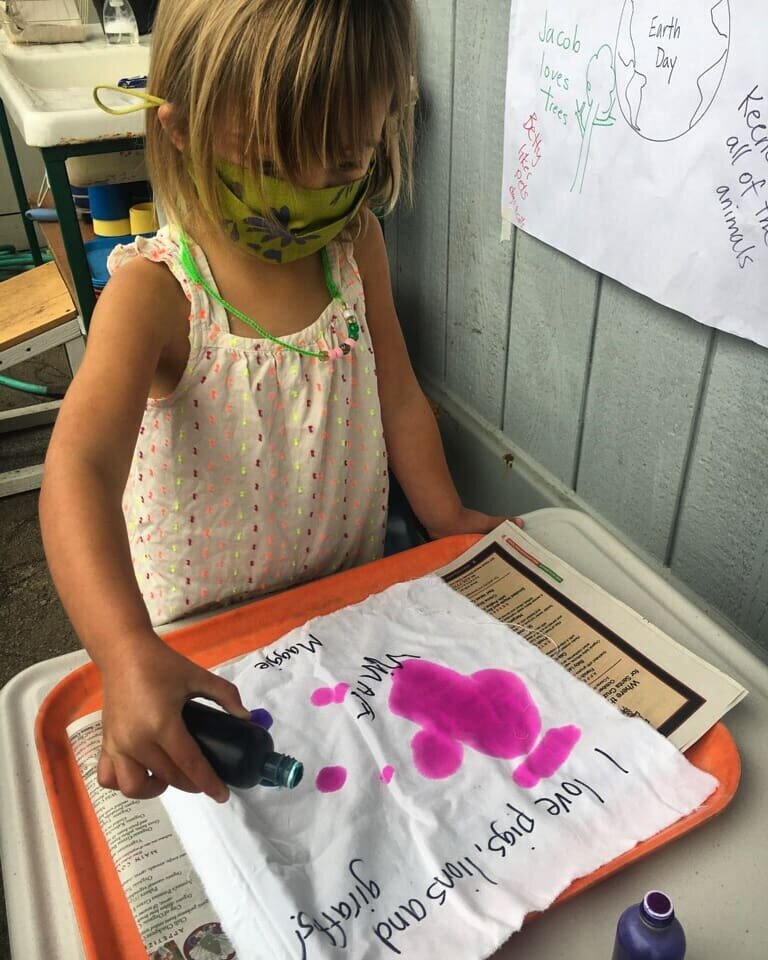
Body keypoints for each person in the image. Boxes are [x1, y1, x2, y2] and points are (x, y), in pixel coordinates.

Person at [40, 0, 516, 805]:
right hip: (198, 641)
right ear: (182, 128)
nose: (307, 192)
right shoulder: (156, 293)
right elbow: (78, 468)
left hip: (346, 600)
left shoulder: (352, 244)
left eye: (341, 162)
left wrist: (447, 516)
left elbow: (398, 394)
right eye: (270, 161)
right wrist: (121, 652)